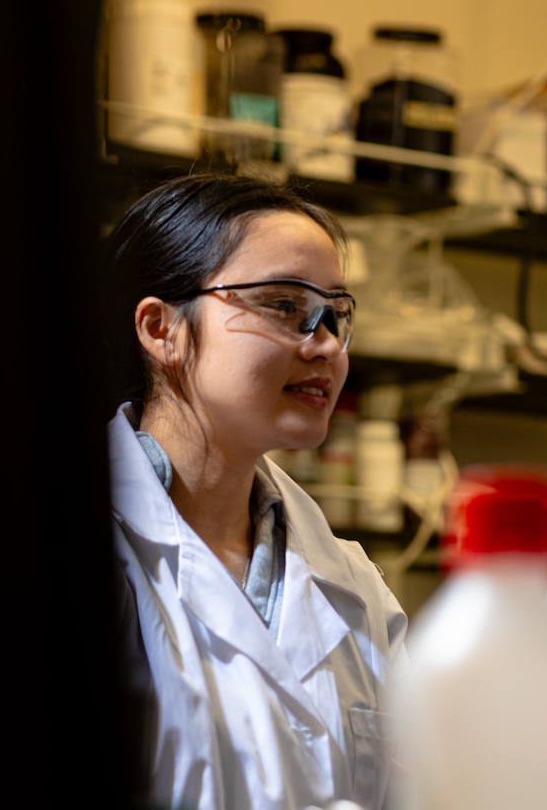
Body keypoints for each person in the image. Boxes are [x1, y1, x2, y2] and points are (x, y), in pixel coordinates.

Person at [106, 173, 406, 810]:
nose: (324, 343)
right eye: (282, 306)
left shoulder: (353, 587)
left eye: (336, 315)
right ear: (162, 329)